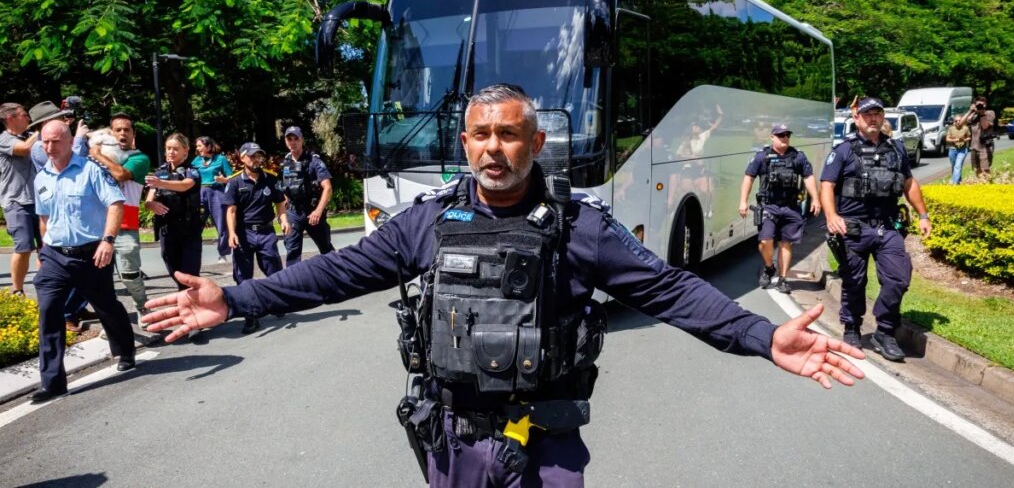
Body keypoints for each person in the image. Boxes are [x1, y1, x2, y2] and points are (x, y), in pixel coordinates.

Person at [144, 84, 865, 487]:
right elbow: (336, 272)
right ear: (465, 143)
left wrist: (762, 336)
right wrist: (234, 299)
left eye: (509, 134)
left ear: (535, 142)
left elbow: (669, 290)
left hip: (546, 445)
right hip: (452, 441)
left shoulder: (580, 227)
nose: (494, 148)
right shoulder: (427, 222)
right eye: (481, 135)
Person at [30, 120, 135, 403]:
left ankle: (125, 349)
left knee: (106, 305)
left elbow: (115, 203)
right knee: (49, 312)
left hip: (91, 254)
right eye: (45, 142)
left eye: (55, 141)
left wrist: (108, 241)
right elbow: (44, 218)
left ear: (69, 141)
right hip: (54, 255)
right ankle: (52, 383)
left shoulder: (91, 170)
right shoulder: (41, 178)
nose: (49, 147)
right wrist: (43, 251)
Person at [820, 97, 932, 363]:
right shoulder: (844, 150)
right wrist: (831, 215)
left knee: (898, 279)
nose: (873, 119)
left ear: (883, 117)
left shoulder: (896, 149)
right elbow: (827, 185)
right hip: (853, 228)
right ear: (857, 118)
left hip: (887, 227)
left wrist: (923, 215)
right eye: (867, 114)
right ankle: (852, 327)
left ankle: (884, 331)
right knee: (854, 281)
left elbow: (909, 183)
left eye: (878, 114)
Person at [26, 103, 93, 332]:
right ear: (45, 123)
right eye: (60, 118)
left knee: (85, 263)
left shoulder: (57, 141)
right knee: (68, 263)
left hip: (75, 208)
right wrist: (79, 139)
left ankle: (77, 307)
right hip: (56, 211)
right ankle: (67, 313)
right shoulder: (39, 147)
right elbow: (70, 161)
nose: (65, 121)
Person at [738, 124, 821, 294]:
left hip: (790, 207)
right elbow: (749, 177)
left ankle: (782, 279)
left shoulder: (797, 156)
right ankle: (769, 267)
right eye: (781, 135)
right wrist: (743, 201)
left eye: (787, 135)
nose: (785, 138)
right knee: (765, 241)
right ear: (772, 137)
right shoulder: (762, 156)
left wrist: (815, 198)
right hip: (769, 206)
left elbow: (808, 177)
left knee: (785, 243)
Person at [87, 112, 150, 324]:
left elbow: (120, 174)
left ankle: (143, 306)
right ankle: (110, 320)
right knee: (100, 278)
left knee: (129, 274)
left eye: (127, 130)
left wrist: (97, 154)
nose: (122, 133)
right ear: (110, 133)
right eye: (117, 130)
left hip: (125, 226)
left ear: (133, 134)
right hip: (98, 226)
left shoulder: (139, 158)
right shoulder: (96, 156)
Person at [223, 142, 289, 334]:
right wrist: (231, 233)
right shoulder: (234, 182)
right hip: (244, 234)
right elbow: (231, 210)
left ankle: (277, 303)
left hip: (266, 232)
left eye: (258, 156)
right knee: (243, 277)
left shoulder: (271, 179)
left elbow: (280, 203)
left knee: (274, 270)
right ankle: (251, 316)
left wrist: (284, 220)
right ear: (242, 158)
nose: (256, 159)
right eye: (252, 156)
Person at [0, 102, 49, 296]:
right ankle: (18, 291)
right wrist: (42, 126)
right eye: (24, 115)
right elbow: (24, 148)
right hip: (16, 202)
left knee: (47, 246)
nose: (28, 118)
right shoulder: (4, 139)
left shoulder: (30, 136)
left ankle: (46, 287)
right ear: (10, 118)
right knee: (24, 247)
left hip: (40, 201)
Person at [145, 133, 204, 288]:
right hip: (167, 229)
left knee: (190, 275)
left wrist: (160, 183)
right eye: (168, 148)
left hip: (189, 229)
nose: (171, 152)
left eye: (176, 149)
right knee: (174, 270)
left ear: (185, 150)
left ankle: (191, 299)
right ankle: (183, 295)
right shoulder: (160, 172)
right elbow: (148, 200)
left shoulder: (191, 171)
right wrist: (151, 205)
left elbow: (185, 185)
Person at [280, 126, 335, 266]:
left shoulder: (314, 161)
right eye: (289, 139)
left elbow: (327, 188)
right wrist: (284, 213)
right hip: (293, 212)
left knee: (326, 249)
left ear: (302, 140)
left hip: (312, 212)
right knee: (292, 251)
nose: (293, 142)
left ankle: (337, 274)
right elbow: (284, 189)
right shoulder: (284, 163)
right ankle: (294, 279)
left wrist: (318, 211)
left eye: (296, 139)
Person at [192, 136, 233, 263]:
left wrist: (223, 180)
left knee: (222, 225)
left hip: (217, 193)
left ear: (209, 146)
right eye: (197, 146)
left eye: (200, 146)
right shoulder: (196, 161)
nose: (197, 148)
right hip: (200, 193)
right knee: (195, 225)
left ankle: (223, 253)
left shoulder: (221, 159)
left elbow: (232, 178)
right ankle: (192, 253)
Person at [954, 96, 996, 181]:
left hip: (985, 147)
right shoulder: (973, 115)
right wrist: (970, 111)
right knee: (977, 169)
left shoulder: (990, 113)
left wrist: (982, 114)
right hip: (974, 147)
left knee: (985, 170)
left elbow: (985, 127)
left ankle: (989, 186)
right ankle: (980, 185)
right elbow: (960, 124)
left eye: (982, 104)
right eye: (978, 105)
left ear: (985, 105)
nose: (980, 106)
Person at [945, 118, 970, 185]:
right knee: (954, 166)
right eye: (956, 121)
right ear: (954, 122)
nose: (958, 122)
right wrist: (955, 140)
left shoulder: (965, 128)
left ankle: (954, 183)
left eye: (959, 120)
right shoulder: (951, 129)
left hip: (962, 150)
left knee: (958, 165)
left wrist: (964, 140)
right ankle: (958, 180)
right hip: (952, 149)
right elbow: (947, 139)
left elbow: (969, 137)